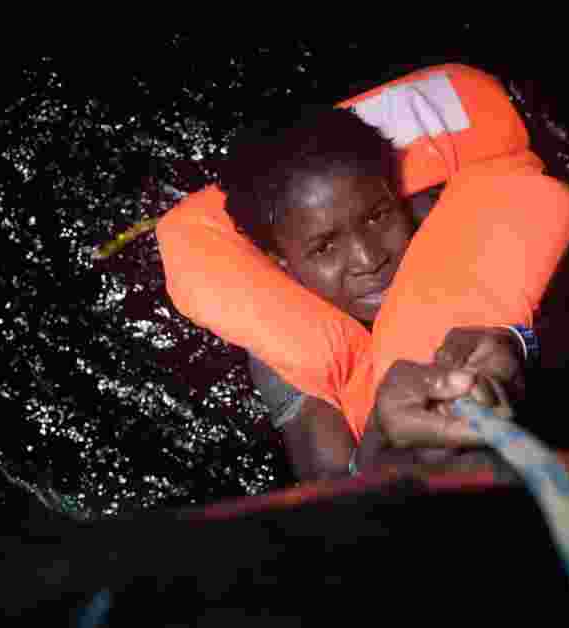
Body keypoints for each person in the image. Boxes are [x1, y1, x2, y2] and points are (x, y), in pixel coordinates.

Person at [221, 107, 532, 481]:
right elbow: (333, 488)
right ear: (282, 262)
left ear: (396, 194)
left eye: (377, 216)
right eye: (324, 248)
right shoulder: (280, 347)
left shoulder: (458, 225)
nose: (369, 259)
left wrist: (515, 341)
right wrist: (384, 446)